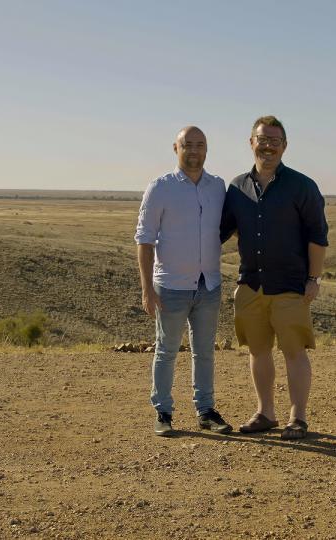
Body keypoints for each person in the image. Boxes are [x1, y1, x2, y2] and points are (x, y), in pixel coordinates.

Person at [219, 116, 328, 440]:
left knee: (294, 351)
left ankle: (298, 417)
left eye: (274, 141)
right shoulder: (236, 187)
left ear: (284, 146)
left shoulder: (302, 186)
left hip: (290, 284)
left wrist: (313, 278)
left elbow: (317, 236)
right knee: (258, 350)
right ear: (251, 142)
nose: (267, 146)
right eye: (262, 139)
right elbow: (219, 232)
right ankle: (265, 412)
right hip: (250, 283)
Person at [135, 126, 231, 437]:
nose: (193, 150)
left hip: (209, 285)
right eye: (187, 144)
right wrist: (147, 288)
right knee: (166, 350)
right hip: (171, 287)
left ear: (207, 149)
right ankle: (163, 412)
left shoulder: (218, 187)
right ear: (175, 148)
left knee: (205, 351)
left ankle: (205, 410)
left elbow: (230, 228)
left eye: (199, 145)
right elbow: (144, 239)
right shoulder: (160, 188)